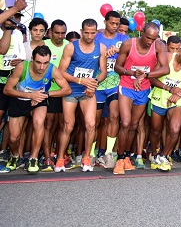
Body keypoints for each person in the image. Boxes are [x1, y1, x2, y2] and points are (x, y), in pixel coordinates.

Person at [113, 22, 169, 175]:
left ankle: (126, 157)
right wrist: (132, 73)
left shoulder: (158, 46)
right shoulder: (128, 44)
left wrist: (145, 75)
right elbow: (117, 67)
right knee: (124, 123)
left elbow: (166, 68)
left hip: (144, 88)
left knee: (134, 124)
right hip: (126, 86)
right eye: (147, 37)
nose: (150, 41)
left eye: (153, 38)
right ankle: (119, 159)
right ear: (141, 32)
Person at [3, 45, 71, 172]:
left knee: (39, 122)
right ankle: (14, 156)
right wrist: (30, 95)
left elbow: (67, 89)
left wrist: (46, 94)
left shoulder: (52, 69)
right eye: (38, 62)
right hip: (19, 101)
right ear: (32, 60)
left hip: (39, 101)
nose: (42, 67)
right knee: (13, 138)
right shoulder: (22, 67)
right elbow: (7, 90)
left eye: (45, 63)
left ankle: (33, 158)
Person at [56, 19, 108, 172]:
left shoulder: (101, 48)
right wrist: (80, 80)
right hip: (72, 89)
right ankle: (60, 159)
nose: (89, 36)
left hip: (88, 91)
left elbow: (103, 71)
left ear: (96, 32)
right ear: (81, 31)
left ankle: (86, 158)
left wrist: (93, 83)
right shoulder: (71, 47)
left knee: (91, 124)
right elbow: (61, 71)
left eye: (93, 33)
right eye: (86, 32)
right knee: (68, 126)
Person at [148, 41, 181, 171]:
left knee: (175, 129)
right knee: (155, 130)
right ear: (180, 51)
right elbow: (152, 78)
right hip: (159, 96)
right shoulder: (168, 57)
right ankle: (154, 155)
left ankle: (164, 156)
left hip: (176, 99)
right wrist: (170, 89)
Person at [94, 11, 129, 169]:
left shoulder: (124, 39)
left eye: (117, 24)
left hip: (115, 84)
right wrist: (103, 56)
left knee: (114, 117)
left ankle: (108, 153)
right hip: (97, 84)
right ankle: (91, 153)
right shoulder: (96, 38)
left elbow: (131, 57)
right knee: (94, 121)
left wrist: (119, 52)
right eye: (112, 23)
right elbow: (88, 58)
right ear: (105, 22)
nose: (115, 27)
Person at [40, 20, 68, 171]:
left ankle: (59, 154)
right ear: (50, 32)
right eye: (57, 33)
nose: (60, 36)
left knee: (62, 125)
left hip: (64, 91)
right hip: (48, 91)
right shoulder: (44, 46)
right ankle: (47, 156)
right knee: (48, 125)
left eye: (63, 33)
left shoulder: (68, 46)